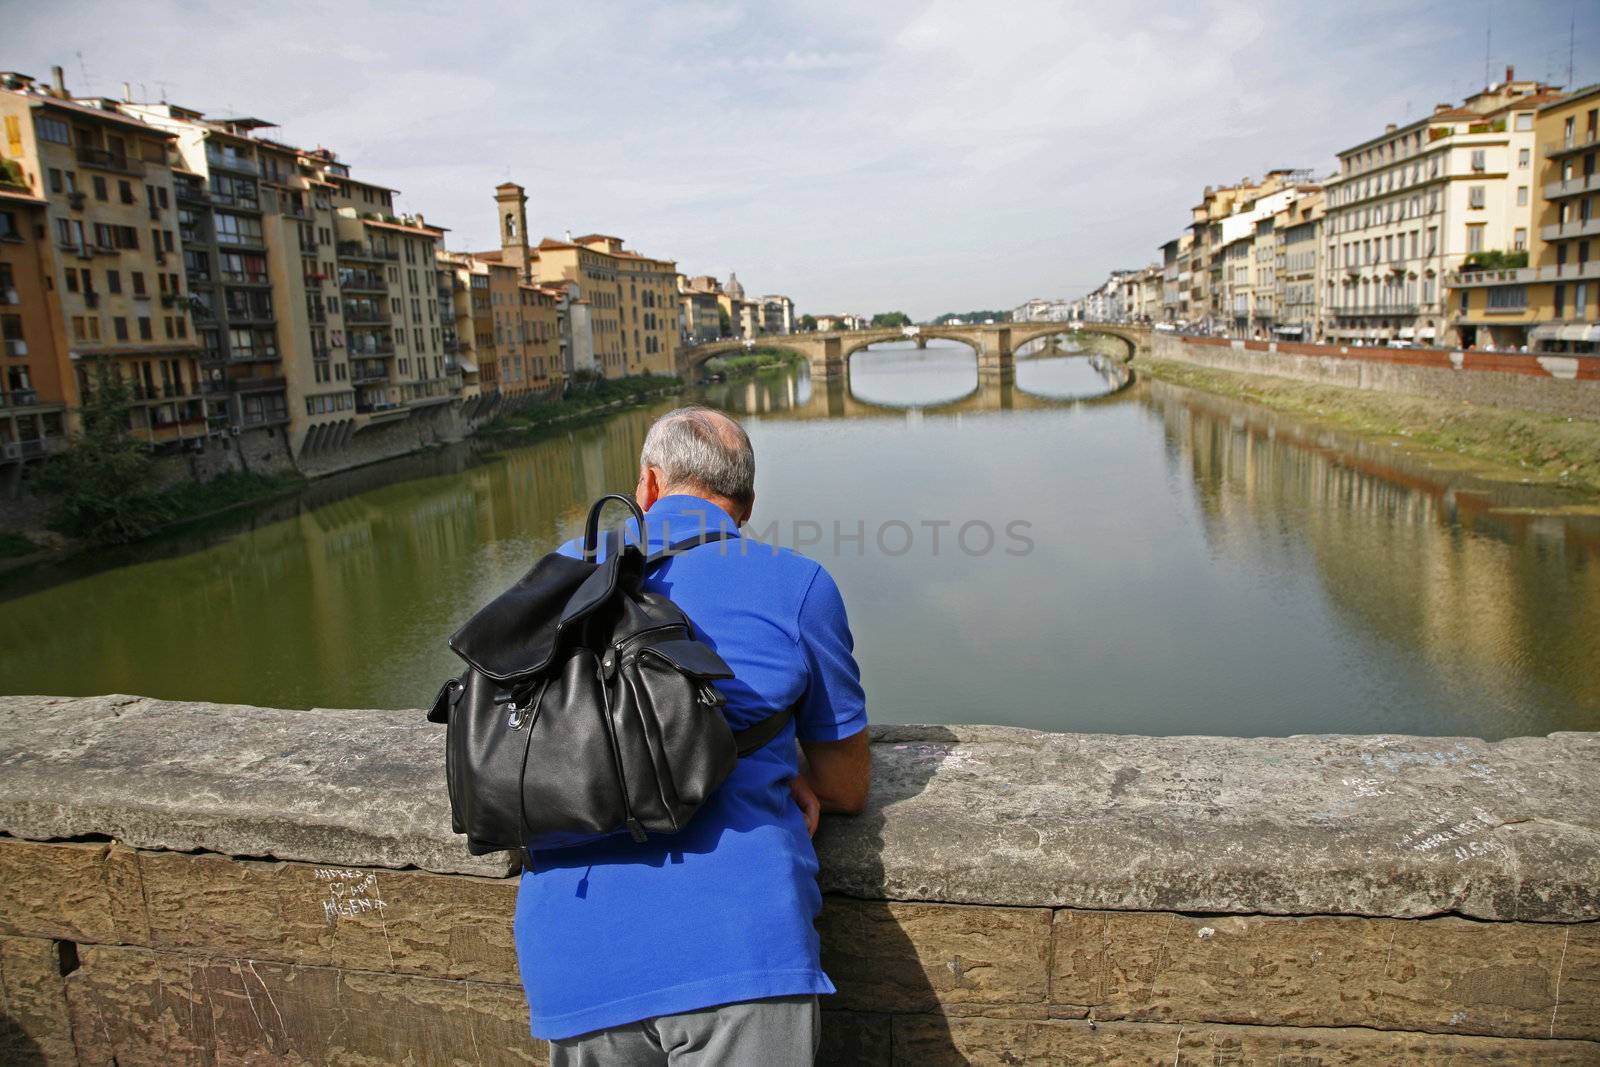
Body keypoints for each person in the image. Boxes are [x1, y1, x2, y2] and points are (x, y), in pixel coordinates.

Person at [515, 405, 872, 1066]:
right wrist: (779, 764)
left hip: (573, 947)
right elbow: (846, 785)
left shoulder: (556, 579)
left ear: (647, 485)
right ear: (746, 504)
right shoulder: (799, 586)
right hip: (741, 950)